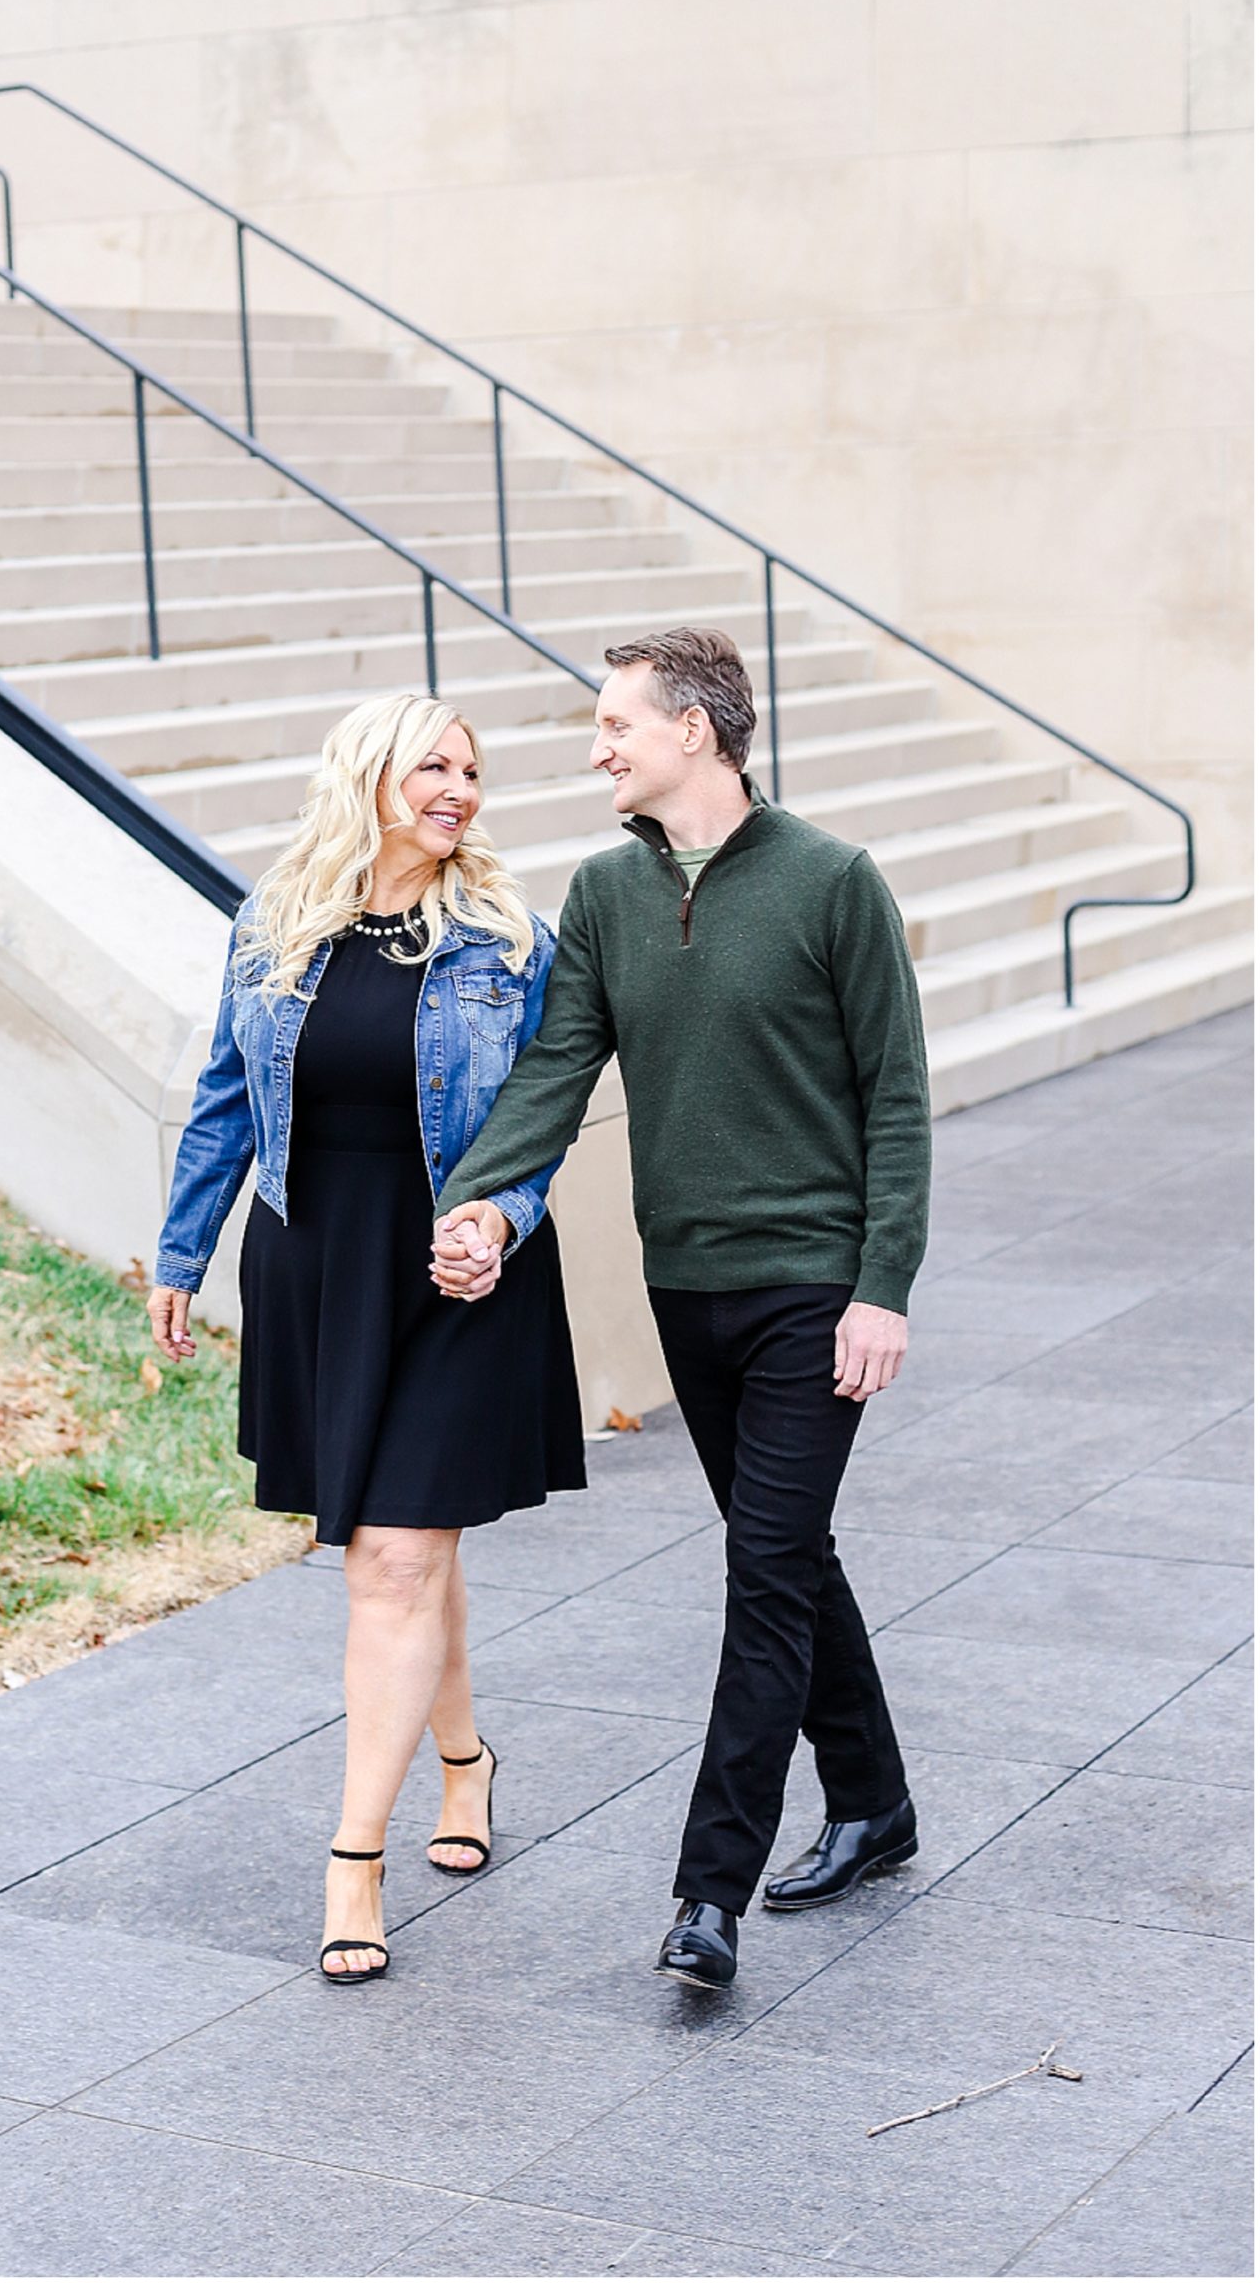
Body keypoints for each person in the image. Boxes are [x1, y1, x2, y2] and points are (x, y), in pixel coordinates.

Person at [432, 626, 930, 1992]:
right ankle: (877, 1804)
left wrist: (880, 1288)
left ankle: (705, 1893)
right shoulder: (602, 895)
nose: (597, 747)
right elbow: (554, 1072)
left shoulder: (832, 884)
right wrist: (479, 1200)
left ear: (694, 731)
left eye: (616, 725)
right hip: (686, 1287)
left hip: (811, 1290)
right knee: (790, 1553)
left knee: (763, 1572)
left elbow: (895, 1099)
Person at [148, 689, 584, 1987]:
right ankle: (463, 1760)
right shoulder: (271, 921)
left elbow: (544, 1110)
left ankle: (353, 1858)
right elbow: (225, 1098)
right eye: (430, 766)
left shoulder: (510, 938)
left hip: (458, 1270)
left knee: (395, 1551)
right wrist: (180, 1251)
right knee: (410, 1543)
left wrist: (499, 1217)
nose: (456, 788)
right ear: (366, 778)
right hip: (318, 1264)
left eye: (470, 769)